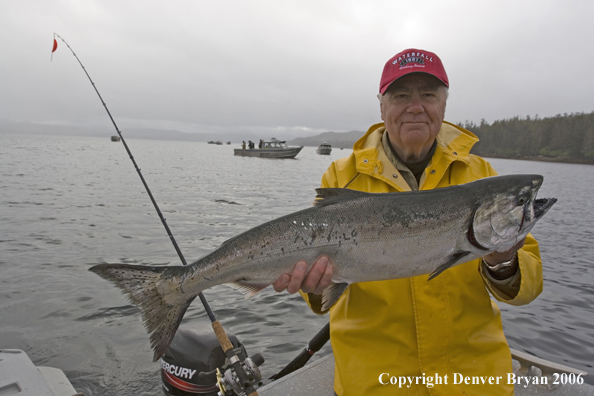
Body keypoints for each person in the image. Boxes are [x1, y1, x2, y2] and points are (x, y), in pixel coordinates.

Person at [272, 49, 543, 396]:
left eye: (428, 95)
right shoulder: (343, 176)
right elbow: (323, 296)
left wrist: (503, 260)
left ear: (443, 105)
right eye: (401, 96)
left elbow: (528, 290)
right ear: (382, 106)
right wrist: (313, 286)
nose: (416, 106)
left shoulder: (481, 176)